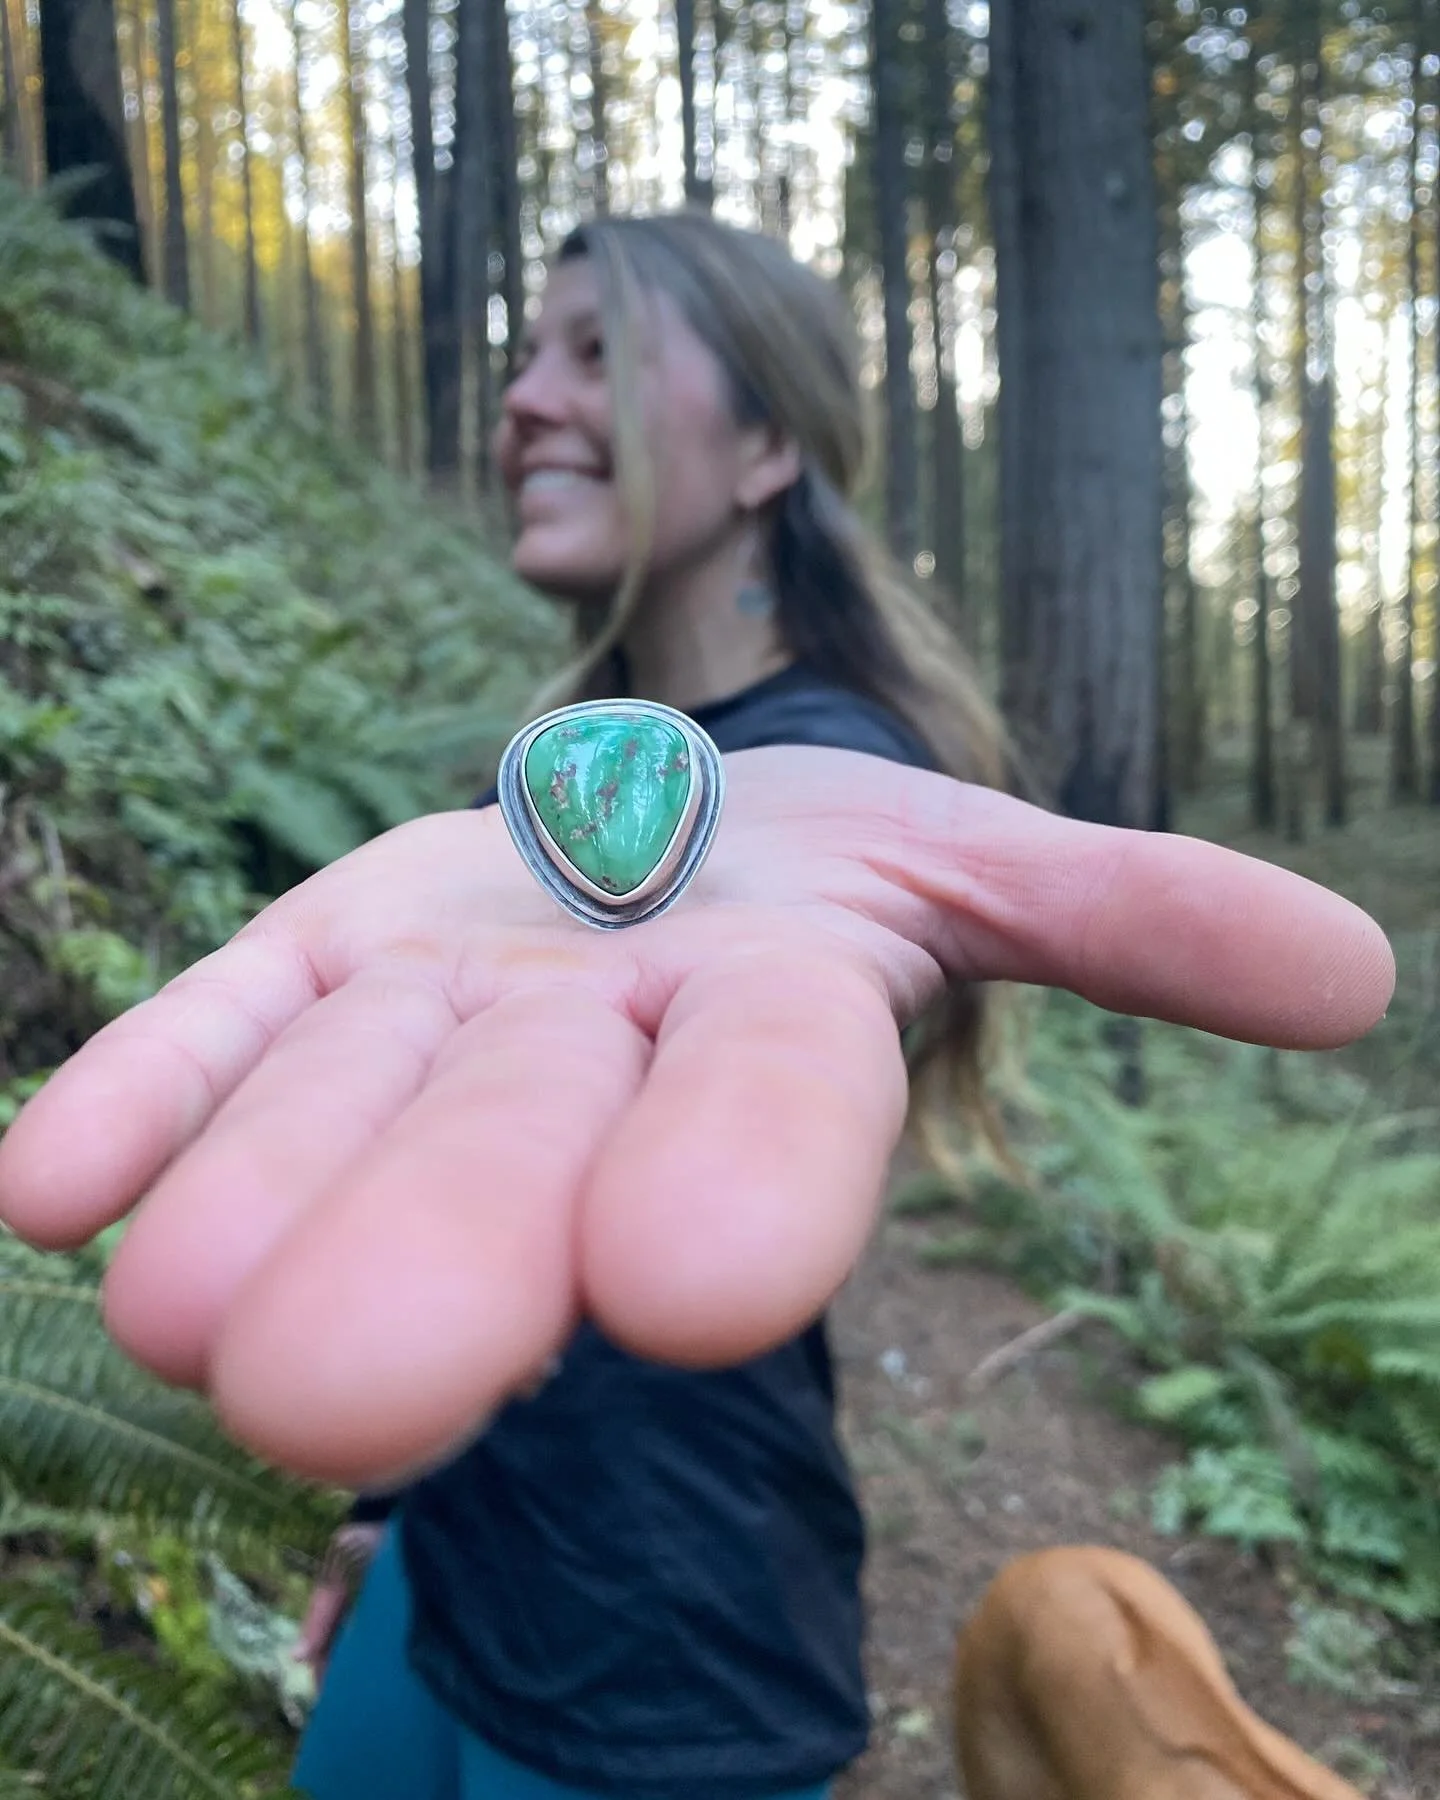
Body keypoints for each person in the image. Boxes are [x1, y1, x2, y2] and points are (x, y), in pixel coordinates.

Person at [0, 215, 1394, 1800]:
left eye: (596, 351)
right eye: (527, 351)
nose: (524, 396)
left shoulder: (841, 769)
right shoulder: (582, 761)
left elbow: (819, 933)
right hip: (453, 1563)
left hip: (665, 1644)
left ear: (767, 446)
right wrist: (389, 1503)